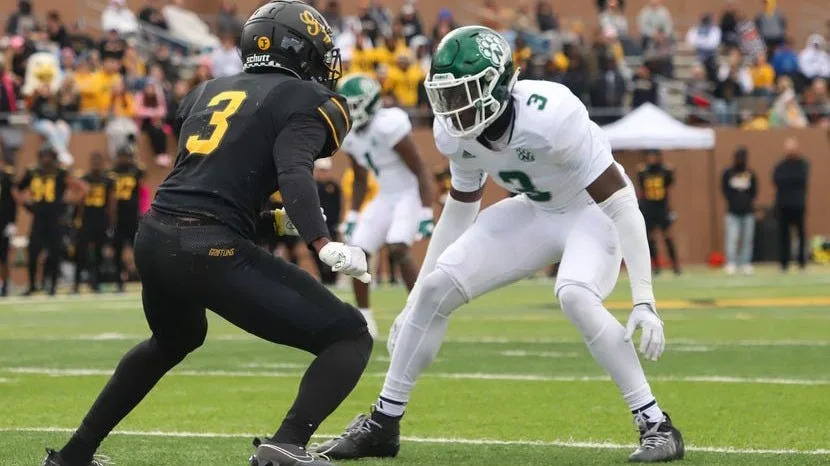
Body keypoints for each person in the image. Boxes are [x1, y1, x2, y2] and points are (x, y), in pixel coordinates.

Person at [316, 25, 683, 463]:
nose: (454, 108)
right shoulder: (454, 134)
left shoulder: (552, 117)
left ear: (500, 85)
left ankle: (657, 425)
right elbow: (460, 205)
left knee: (575, 295)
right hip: (535, 209)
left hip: (591, 212)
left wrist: (644, 299)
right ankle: (383, 423)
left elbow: (622, 202)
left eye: (465, 93)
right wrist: (414, 299)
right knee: (433, 290)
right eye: (446, 95)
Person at [41, 3, 371, 466]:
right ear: (299, 50)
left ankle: (74, 455)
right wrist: (321, 241)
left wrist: (295, 226)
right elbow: (294, 170)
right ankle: (287, 444)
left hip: (155, 237)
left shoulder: (207, 92)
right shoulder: (305, 101)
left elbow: (218, 195)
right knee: (350, 335)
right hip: (205, 245)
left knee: (174, 339)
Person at [338, 73, 434, 338]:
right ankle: (365, 320)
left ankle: (419, 313)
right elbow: (359, 179)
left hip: (407, 194)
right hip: (385, 196)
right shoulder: (351, 136)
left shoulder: (389, 124)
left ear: (370, 103)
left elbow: (421, 170)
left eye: (354, 105)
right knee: (355, 253)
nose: (350, 111)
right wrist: (353, 214)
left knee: (398, 247)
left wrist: (426, 212)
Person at [16, 144, 87, 296]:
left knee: (55, 252)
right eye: (44, 156)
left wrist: (68, 203)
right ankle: (32, 285)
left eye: (49, 156)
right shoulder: (33, 172)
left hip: (55, 219)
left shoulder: (61, 173)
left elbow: (82, 188)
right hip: (39, 218)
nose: (46, 159)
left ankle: (53, 286)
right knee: (33, 251)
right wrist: (25, 203)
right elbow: (17, 189)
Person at [73, 152, 115, 293]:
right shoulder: (84, 179)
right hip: (86, 220)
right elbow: (78, 203)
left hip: (100, 220)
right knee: (80, 253)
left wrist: (111, 222)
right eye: (94, 160)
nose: (96, 163)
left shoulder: (107, 180)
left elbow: (111, 203)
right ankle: (77, 283)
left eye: (98, 161)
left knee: (98, 253)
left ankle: (96, 282)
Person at [637, 151, 680, 275]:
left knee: (668, 237)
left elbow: (670, 183)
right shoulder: (642, 171)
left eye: (654, 156)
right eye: (649, 156)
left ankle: (675, 265)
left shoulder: (665, 170)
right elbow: (641, 187)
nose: (652, 159)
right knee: (650, 238)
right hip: (649, 208)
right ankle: (655, 265)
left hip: (662, 207)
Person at [110, 145, 143, 292]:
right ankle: (119, 282)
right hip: (118, 218)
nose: (124, 159)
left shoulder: (136, 171)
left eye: (127, 156)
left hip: (132, 216)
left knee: (139, 250)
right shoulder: (111, 173)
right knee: (117, 251)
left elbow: (144, 172)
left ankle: (143, 280)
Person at [773, 137, 809, 272]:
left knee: (801, 234)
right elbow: (777, 180)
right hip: (783, 205)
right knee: (783, 235)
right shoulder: (780, 165)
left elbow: (801, 180)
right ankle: (784, 263)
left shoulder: (803, 164)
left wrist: (789, 182)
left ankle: (801, 262)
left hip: (798, 204)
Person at [722, 146, 757, 275]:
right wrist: (734, 201)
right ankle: (731, 262)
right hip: (733, 212)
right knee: (732, 238)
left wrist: (746, 201)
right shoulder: (728, 173)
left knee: (747, 239)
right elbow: (725, 190)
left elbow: (754, 192)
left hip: (748, 212)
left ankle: (745, 262)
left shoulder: (750, 173)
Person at [313, 158, 342, 285]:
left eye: (325, 170)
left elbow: (338, 207)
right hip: (316, 225)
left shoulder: (334, 186)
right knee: (316, 251)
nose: (323, 173)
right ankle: (323, 276)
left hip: (331, 225)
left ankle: (332, 278)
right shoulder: (311, 186)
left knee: (334, 252)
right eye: (321, 170)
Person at [0, 160, 16, 296]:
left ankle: (5, 286)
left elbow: (13, 202)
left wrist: (12, 222)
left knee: (3, 257)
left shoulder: (6, 178)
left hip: (3, 223)